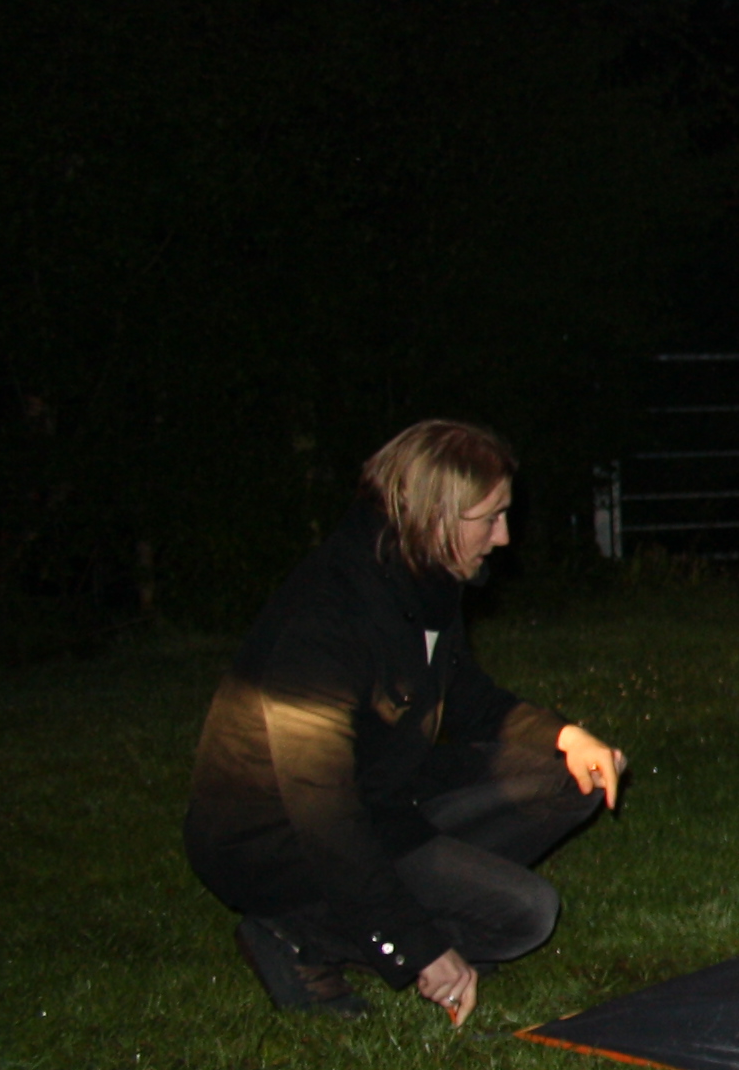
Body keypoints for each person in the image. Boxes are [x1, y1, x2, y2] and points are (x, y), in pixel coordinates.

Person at [183, 420, 629, 1025]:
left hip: (382, 796)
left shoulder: (425, 579)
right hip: (280, 840)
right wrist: (413, 944)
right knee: (526, 915)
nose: (503, 537)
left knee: (571, 778)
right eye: (490, 518)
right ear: (434, 516)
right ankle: (297, 936)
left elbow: (463, 694)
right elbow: (323, 811)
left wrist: (567, 737)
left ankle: (405, 907)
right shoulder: (326, 616)